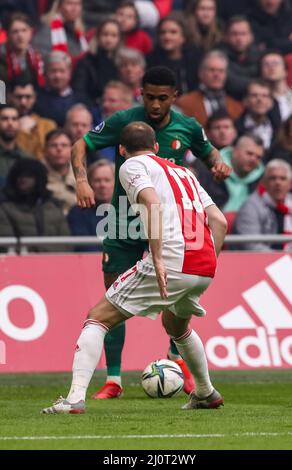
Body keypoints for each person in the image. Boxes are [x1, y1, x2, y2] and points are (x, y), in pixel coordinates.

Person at [42, 121, 224, 414]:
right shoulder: (183, 173)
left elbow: (150, 203)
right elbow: (220, 221)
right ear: (156, 147)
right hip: (202, 263)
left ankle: (74, 399)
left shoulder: (130, 165)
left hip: (172, 259)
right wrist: (209, 264)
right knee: (176, 325)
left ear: (121, 149)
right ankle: (205, 393)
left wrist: (159, 259)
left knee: (97, 318)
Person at [71, 66, 229, 399]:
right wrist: (82, 180)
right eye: (149, 97)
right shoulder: (124, 122)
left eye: (162, 98)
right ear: (140, 94)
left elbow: (207, 154)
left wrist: (218, 162)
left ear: (174, 97)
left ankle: (174, 365)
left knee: (105, 313)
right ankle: (116, 379)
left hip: (167, 230)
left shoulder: (187, 128)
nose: (155, 104)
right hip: (130, 225)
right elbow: (80, 146)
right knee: (122, 296)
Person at [0, 158, 70, 252]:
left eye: (28, 175)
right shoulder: (5, 208)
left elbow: (67, 244)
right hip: (19, 264)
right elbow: (7, 245)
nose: (22, 179)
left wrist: (40, 252)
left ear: (39, 178)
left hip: (55, 263)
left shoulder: (54, 207)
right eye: (18, 175)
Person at [233, 159, 292, 251]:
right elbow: (251, 245)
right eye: (273, 178)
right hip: (260, 262)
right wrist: (283, 259)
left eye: (283, 178)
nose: (278, 183)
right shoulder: (250, 207)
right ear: (264, 182)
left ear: (290, 184)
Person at [176, 50, 243, 128]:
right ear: (201, 73)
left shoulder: (237, 107)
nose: (216, 75)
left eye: (221, 71)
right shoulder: (184, 104)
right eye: (212, 70)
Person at [146, 13, 203, 95]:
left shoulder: (196, 60)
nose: (167, 37)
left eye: (173, 32)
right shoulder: (150, 62)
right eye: (162, 32)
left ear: (183, 37)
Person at [68, 159, 115, 251]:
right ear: (89, 184)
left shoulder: (128, 210)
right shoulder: (78, 212)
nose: (102, 185)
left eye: (107, 180)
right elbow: (83, 245)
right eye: (97, 180)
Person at [72, 18, 121, 104]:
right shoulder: (86, 62)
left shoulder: (121, 63)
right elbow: (79, 92)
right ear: (98, 37)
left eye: (114, 35)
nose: (109, 40)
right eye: (105, 34)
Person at [34, 50, 87, 127]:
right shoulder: (35, 99)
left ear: (69, 73)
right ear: (44, 73)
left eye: (62, 71)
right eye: (53, 71)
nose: (58, 76)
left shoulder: (81, 100)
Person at [9, 77, 57, 161]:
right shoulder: (4, 123)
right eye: (19, 97)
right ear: (10, 97)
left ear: (34, 98)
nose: (23, 102)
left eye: (28, 97)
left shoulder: (48, 125)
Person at [33, 0, 89, 65]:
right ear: (59, 6)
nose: (74, 8)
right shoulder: (47, 30)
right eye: (69, 3)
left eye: (78, 4)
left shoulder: (79, 33)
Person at [0, 13, 45, 88]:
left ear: (31, 32)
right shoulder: (1, 59)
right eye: (15, 31)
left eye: (24, 30)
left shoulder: (39, 56)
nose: (20, 35)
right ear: (8, 34)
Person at [221, 16, 260, 100]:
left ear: (251, 37)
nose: (239, 39)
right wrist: (258, 83)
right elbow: (230, 82)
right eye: (234, 34)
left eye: (243, 34)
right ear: (226, 37)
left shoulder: (260, 56)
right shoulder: (218, 57)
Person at [235, 79, 278, 150]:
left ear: (271, 102)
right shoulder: (235, 129)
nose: (260, 100)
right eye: (254, 95)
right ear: (245, 101)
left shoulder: (279, 130)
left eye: (264, 96)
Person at [44, 128, 76, 214]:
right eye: (54, 145)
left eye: (64, 145)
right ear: (45, 150)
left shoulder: (82, 176)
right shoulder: (37, 176)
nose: (59, 149)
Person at [260, 50, 292, 123]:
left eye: (275, 63)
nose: (271, 68)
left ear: (285, 71)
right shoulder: (260, 101)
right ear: (261, 72)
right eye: (266, 64)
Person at [0, 104, 32, 188]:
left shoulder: (27, 158)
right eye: (4, 119)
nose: (10, 123)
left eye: (14, 119)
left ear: (19, 124)